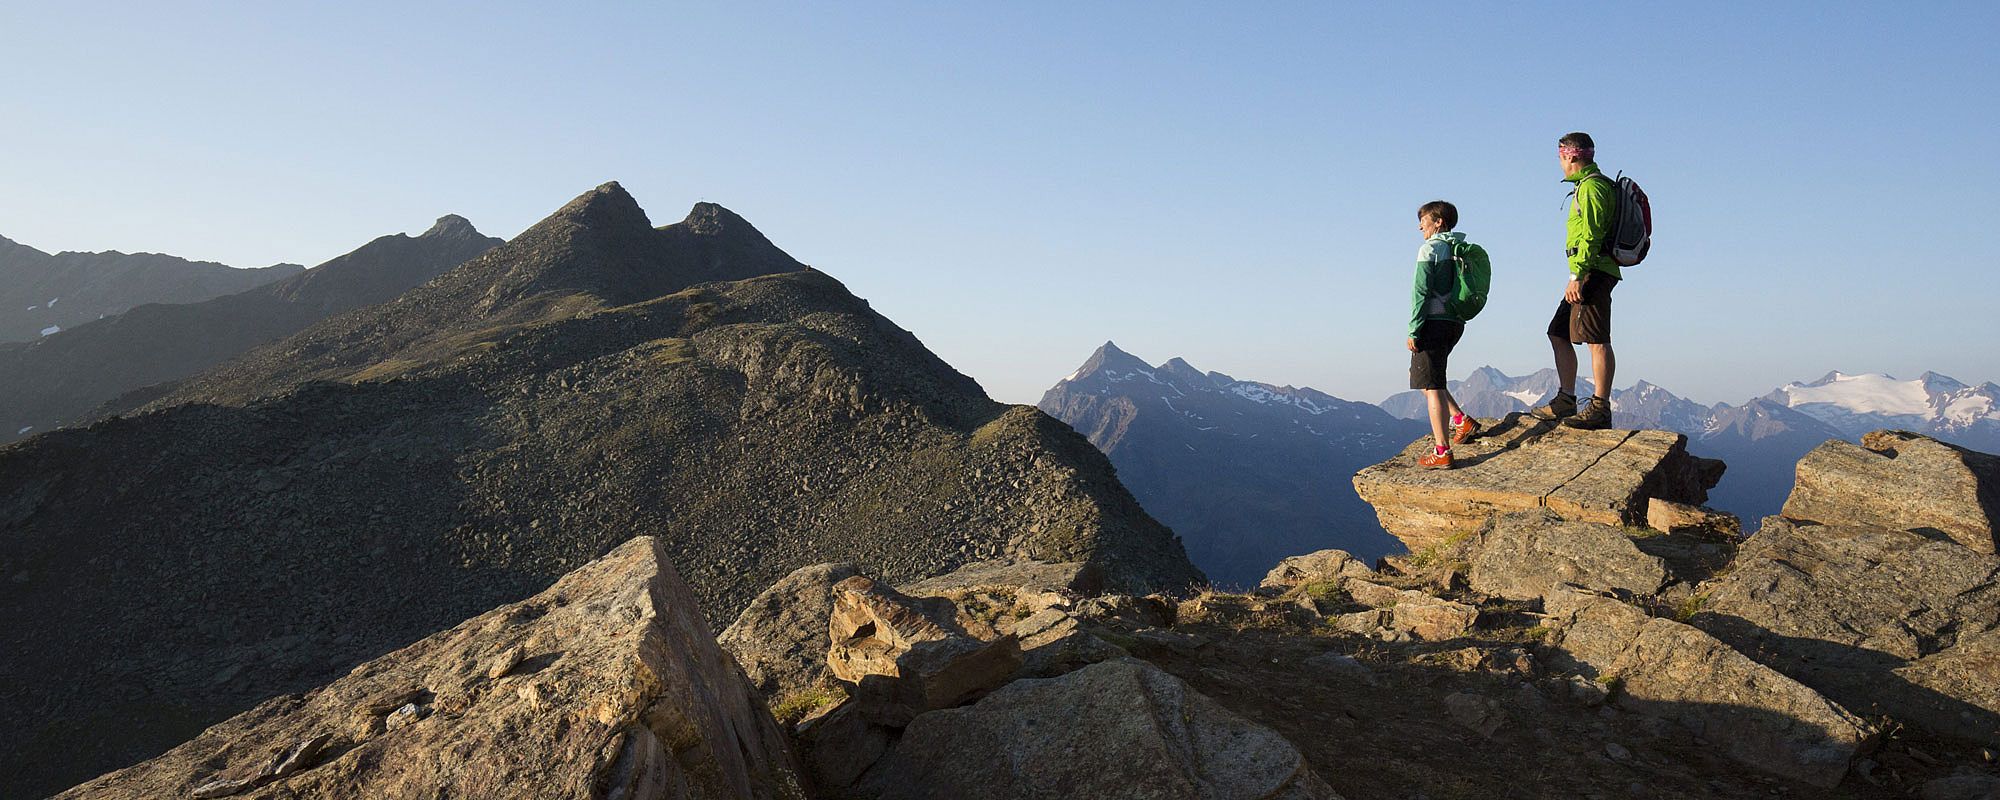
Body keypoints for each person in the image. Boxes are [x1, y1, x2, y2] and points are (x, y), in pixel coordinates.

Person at [1532, 132, 1619, 429]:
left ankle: (1599, 408)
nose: (1559, 162)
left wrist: (1577, 275)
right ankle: (1566, 400)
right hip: (1588, 271)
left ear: (1570, 156)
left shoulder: (1593, 187)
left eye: (1559, 156)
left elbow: (1592, 234)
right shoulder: (1587, 186)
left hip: (1594, 271)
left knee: (1596, 339)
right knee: (1558, 331)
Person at [1407, 200, 1480, 469]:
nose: (1420, 226)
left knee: (1432, 385)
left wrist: (1414, 329)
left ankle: (1442, 451)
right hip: (1455, 322)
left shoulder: (1431, 248)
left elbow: (1421, 292)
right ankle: (1461, 421)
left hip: (1434, 322)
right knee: (1431, 379)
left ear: (1438, 222)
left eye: (1424, 220)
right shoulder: (1458, 248)